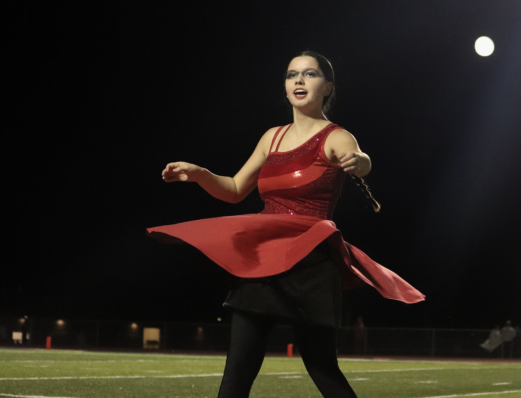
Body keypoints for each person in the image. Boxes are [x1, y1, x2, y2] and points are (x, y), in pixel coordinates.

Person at [147, 51, 425, 398]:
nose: (298, 80)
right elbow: (234, 190)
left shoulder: (336, 137)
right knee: (236, 374)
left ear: (328, 88)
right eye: (292, 74)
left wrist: (361, 162)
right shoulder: (272, 137)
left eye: (309, 74)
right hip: (262, 265)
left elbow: (360, 159)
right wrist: (201, 175)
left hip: (309, 267)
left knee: (322, 369)